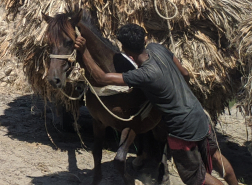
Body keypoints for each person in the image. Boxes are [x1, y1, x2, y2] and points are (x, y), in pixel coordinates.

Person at [73, 24, 238, 185]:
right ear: (144, 40)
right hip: (199, 115)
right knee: (216, 158)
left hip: (182, 130)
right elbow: (185, 73)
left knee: (196, 178)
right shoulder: (158, 48)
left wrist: (84, 51)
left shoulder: (144, 74)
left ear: (125, 50)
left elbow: (101, 78)